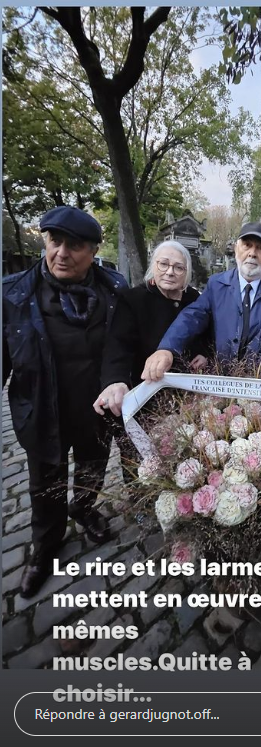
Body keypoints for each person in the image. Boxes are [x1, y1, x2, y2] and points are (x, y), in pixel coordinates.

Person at [2, 206, 127, 598]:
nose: (62, 253)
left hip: (95, 408)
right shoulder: (14, 293)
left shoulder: (115, 291)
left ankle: (85, 508)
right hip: (42, 409)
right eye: (55, 242)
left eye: (75, 245)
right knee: (44, 484)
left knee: (92, 467)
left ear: (92, 251)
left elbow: (124, 346)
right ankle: (45, 546)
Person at [142, 222, 261, 393]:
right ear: (236, 248)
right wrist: (167, 348)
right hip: (218, 385)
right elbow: (192, 317)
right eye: (247, 245)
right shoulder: (216, 285)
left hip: (259, 389)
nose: (252, 253)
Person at [93, 241, 208, 478]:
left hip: (183, 399)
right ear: (153, 266)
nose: (170, 271)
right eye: (164, 264)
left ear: (187, 273)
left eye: (178, 267)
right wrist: (115, 379)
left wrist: (205, 352)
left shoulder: (194, 298)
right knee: (141, 465)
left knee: (183, 458)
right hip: (144, 396)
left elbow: (207, 331)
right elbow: (118, 346)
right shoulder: (133, 299)